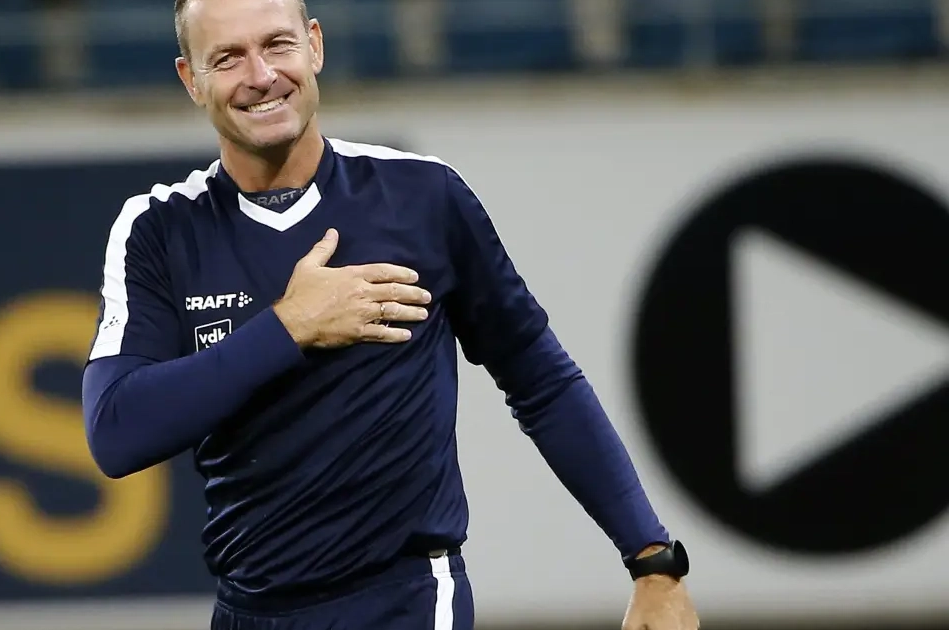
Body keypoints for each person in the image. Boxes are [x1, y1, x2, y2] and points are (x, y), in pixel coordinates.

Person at [80, 0, 701, 628]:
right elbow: (116, 433)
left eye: (277, 45)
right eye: (228, 58)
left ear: (315, 45)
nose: (261, 76)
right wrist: (290, 326)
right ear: (191, 79)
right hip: (247, 609)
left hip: (405, 600)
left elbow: (542, 381)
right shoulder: (159, 228)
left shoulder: (422, 196)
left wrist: (651, 560)